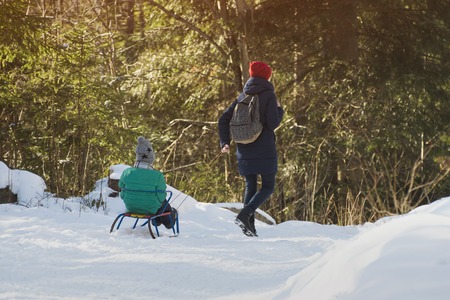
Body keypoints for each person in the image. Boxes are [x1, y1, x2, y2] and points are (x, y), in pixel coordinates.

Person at [218, 61, 284, 237]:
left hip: (244, 148)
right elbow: (272, 123)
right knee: (268, 186)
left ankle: (249, 227)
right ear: (267, 76)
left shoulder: (243, 96)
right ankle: (245, 215)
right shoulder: (269, 95)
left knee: (251, 185)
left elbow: (223, 119)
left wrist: (225, 141)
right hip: (264, 148)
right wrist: (279, 109)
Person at [119, 136, 177, 229]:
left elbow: (121, 189)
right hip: (151, 209)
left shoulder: (127, 172)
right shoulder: (157, 175)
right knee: (164, 204)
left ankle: (158, 220)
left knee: (159, 203)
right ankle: (168, 222)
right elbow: (161, 196)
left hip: (131, 206)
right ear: (151, 157)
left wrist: (127, 197)